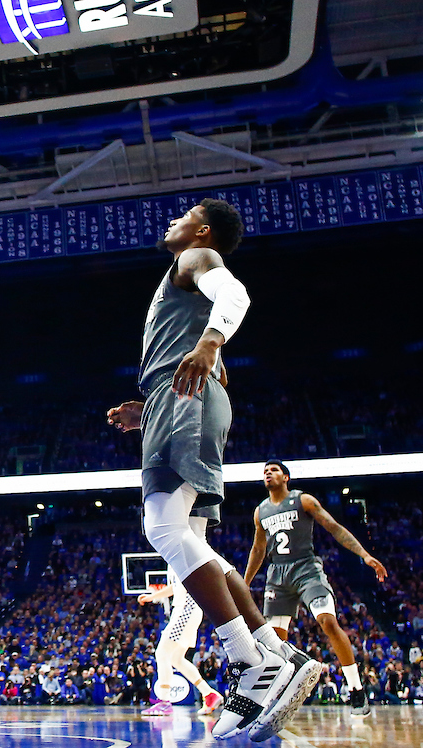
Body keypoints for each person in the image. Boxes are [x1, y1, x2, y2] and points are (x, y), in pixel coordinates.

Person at [106, 200, 321, 741]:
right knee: (191, 542)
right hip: (178, 401)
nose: (171, 220)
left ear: (202, 231)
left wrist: (209, 343)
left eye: (184, 215)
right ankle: (275, 652)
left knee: (161, 528)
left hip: (185, 401)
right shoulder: (180, 272)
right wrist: (147, 405)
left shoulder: (196, 254)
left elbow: (236, 294)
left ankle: (250, 662)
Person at [244, 459, 388, 718]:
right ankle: (277, 696)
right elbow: (258, 549)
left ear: (285, 477)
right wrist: (244, 583)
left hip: (306, 568)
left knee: (328, 622)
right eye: (265, 471)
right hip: (277, 574)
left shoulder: (303, 500)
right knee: (275, 642)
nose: (268, 473)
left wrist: (364, 555)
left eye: (274, 470)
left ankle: (355, 688)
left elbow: (334, 527)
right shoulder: (260, 511)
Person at [136, 563, 223, 716]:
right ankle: (209, 694)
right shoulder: (173, 559)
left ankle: (163, 702)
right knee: (176, 659)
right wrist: (152, 597)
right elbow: (174, 587)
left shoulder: (180, 552)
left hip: (187, 608)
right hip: (185, 609)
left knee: (162, 653)